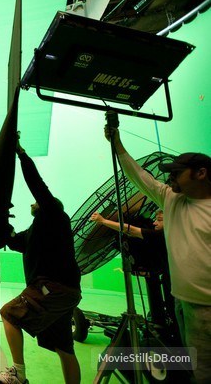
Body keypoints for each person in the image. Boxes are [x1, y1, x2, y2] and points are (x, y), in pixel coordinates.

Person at [105, 126, 211, 383]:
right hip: (183, 303)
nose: (170, 178)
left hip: (207, 307)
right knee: (198, 371)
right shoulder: (171, 199)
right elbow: (139, 176)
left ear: (201, 173)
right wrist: (117, 143)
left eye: (177, 173)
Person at [0, 138, 82, 384]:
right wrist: (1, 222)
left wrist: (21, 153)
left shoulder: (55, 215)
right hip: (65, 292)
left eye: (36, 200)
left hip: (53, 289)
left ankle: (18, 374)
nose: (33, 201)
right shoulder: (35, 231)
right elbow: (12, 240)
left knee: (9, 314)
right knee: (64, 348)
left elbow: (37, 184)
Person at [90, 210, 177, 335]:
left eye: (159, 220)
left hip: (174, 280)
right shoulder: (174, 234)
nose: (154, 223)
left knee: (174, 309)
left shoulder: (161, 235)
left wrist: (103, 221)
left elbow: (130, 230)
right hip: (171, 277)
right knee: (172, 308)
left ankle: (174, 337)